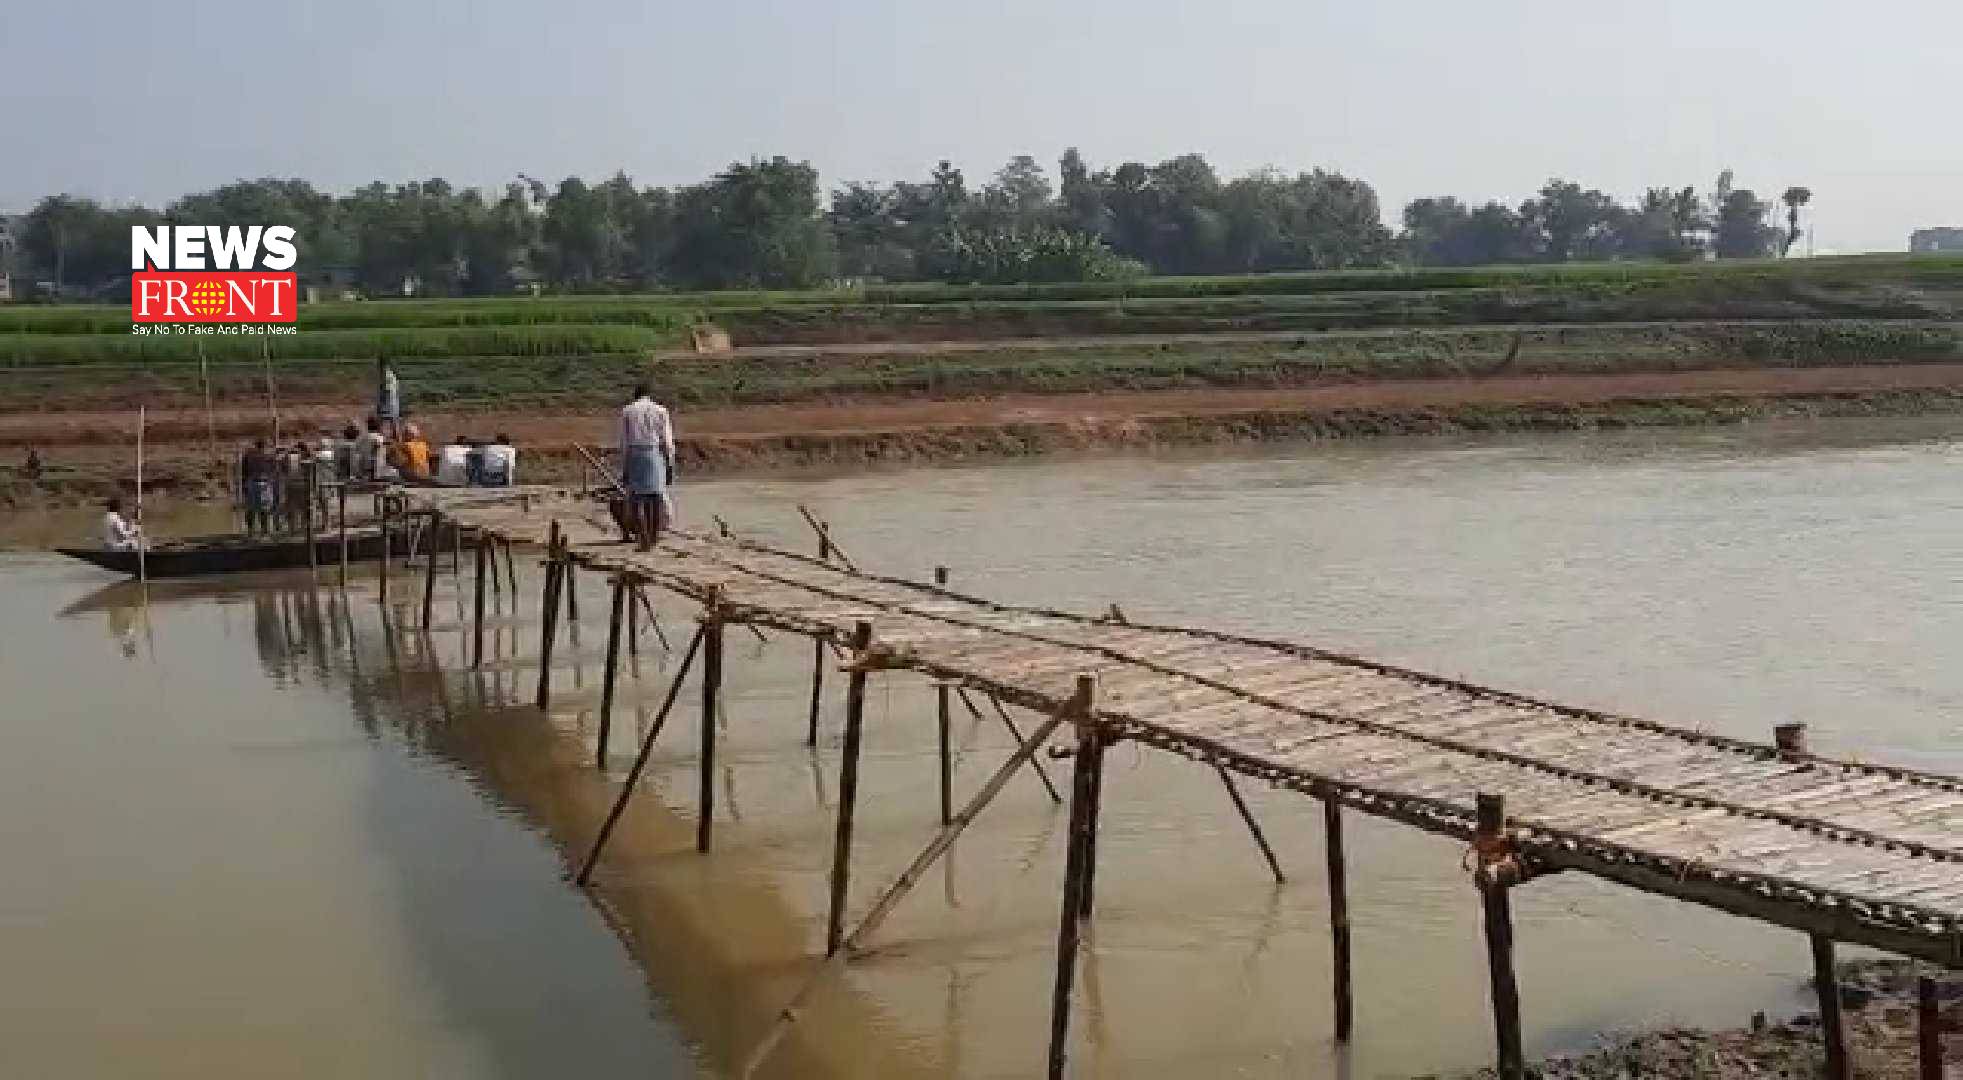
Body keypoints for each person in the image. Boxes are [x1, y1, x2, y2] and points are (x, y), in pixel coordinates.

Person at [618, 383, 675, 551]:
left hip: (635, 454)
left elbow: (624, 442)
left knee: (636, 500)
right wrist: (669, 464)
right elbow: (667, 441)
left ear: (635, 395)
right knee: (655, 498)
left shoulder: (627, 411)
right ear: (649, 395)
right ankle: (654, 536)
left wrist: (625, 467)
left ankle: (643, 540)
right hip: (654, 453)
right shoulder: (660, 410)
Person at [239, 439, 280, 536]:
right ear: (264, 446)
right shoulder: (269, 457)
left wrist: (244, 486)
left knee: (251, 508)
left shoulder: (248, 456)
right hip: (264, 484)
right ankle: (263, 531)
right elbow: (274, 472)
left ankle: (251, 531)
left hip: (253, 484)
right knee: (263, 509)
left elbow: (243, 473)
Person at [355, 416, 389, 481]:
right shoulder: (380, 438)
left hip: (363, 469)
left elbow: (357, 453)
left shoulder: (360, 438)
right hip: (378, 470)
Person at [376, 361, 402, 438]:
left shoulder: (386, 375)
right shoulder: (392, 375)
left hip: (389, 401)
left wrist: (380, 404)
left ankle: (380, 437)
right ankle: (396, 437)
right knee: (394, 421)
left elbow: (386, 389)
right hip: (393, 401)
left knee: (381, 420)